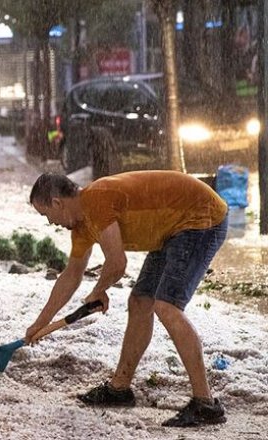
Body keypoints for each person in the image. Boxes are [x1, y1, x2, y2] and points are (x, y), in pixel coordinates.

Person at [26, 170, 228, 428]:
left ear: (57, 203)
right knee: (140, 301)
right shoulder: (82, 225)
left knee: (167, 306)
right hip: (171, 229)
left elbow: (117, 263)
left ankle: (205, 404)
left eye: (46, 215)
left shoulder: (96, 200)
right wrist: (40, 323)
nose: (51, 223)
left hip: (200, 216)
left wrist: (99, 290)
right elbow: (71, 276)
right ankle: (120, 388)